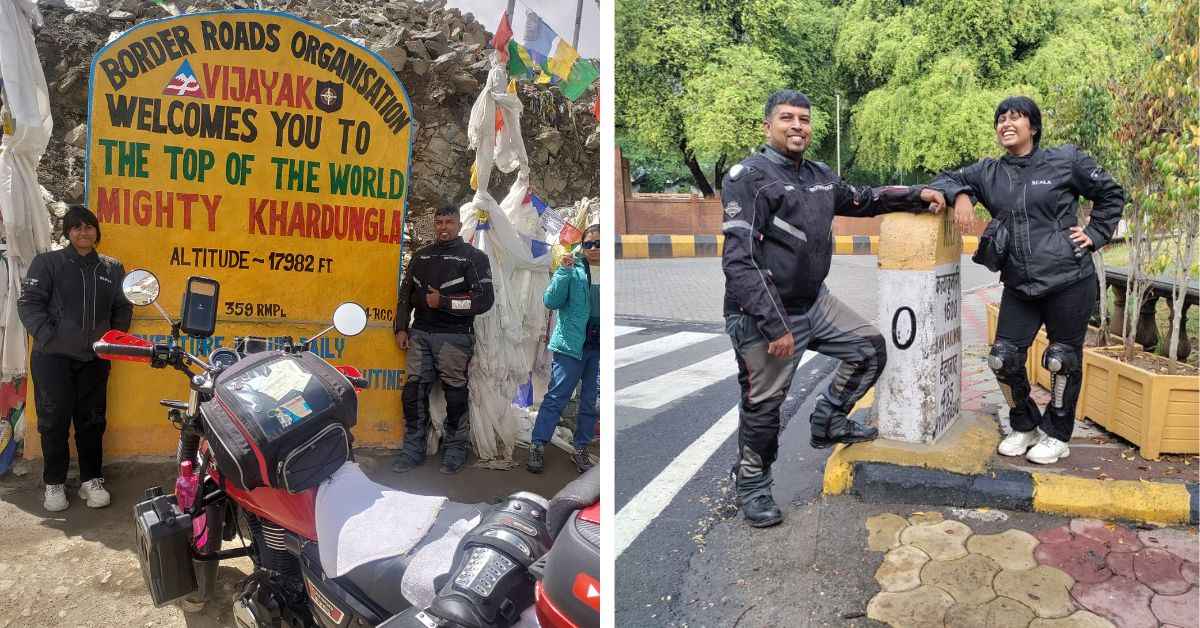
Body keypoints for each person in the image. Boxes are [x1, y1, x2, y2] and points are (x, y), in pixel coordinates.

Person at [721, 90, 947, 528]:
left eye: (804, 119)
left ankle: (827, 420)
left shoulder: (820, 175)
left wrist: (918, 195)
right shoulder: (749, 177)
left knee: (869, 349)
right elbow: (740, 260)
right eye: (787, 118)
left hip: (814, 303)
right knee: (764, 407)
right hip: (765, 315)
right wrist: (775, 326)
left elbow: (864, 199)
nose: (797, 126)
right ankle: (751, 483)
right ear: (768, 125)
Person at [930, 96, 1124, 465]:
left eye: (1016, 118)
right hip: (1020, 283)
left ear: (1032, 127)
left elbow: (1111, 193)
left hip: (1069, 278)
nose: (1007, 123)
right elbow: (945, 178)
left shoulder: (1064, 161)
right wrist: (960, 196)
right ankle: (1025, 426)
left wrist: (1097, 232)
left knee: (1062, 359)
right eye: (1001, 118)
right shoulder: (988, 172)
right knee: (1003, 358)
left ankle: (1057, 434)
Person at [18, 205, 132, 512]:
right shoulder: (48, 263)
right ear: (68, 233)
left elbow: (123, 308)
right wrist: (49, 336)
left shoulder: (112, 268)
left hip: (95, 358)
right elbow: (29, 304)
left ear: (97, 232)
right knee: (53, 421)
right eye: (77, 227)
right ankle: (54, 483)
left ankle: (91, 480)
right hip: (52, 358)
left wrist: (113, 339)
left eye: (89, 227)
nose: (84, 232)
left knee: (92, 421)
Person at [392, 206, 495, 475]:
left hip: (455, 336)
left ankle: (455, 449)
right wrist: (401, 328)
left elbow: (484, 300)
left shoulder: (474, 257)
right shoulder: (421, 256)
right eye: (439, 222)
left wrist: (445, 301)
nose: (443, 227)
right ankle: (413, 450)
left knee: (455, 394)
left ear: (460, 224)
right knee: (413, 393)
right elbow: (405, 295)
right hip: (421, 334)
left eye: (449, 221)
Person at [527, 224, 600, 475]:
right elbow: (551, 301)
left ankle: (580, 448)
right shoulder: (573, 268)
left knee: (590, 402)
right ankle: (537, 444)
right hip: (571, 345)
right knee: (557, 396)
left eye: (598, 244)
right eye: (588, 244)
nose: (593, 249)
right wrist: (563, 273)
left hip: (597, 348)